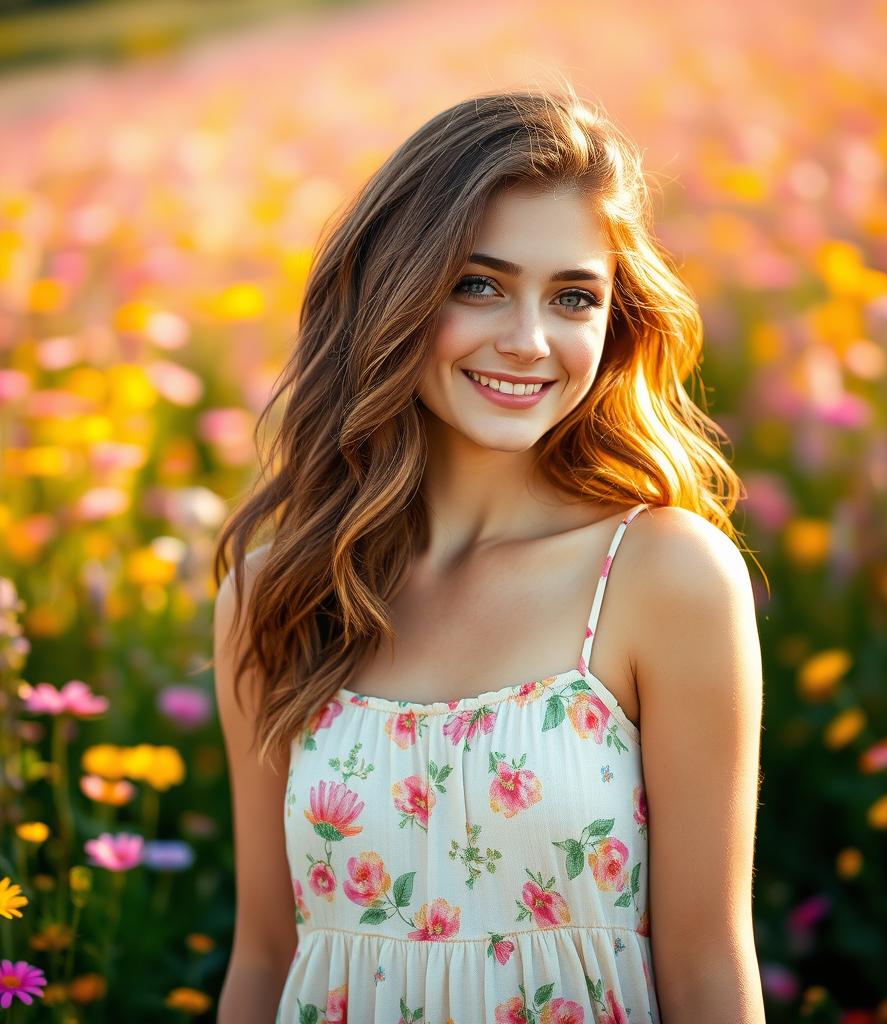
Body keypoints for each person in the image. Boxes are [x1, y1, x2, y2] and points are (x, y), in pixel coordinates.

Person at [213, 85, 767, 1024]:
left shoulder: (662, 577)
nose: (527, 341)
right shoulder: (283, 590)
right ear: (393, 293)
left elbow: (709, 965)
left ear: (615, 320)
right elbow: (267, 954)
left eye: (573, 297)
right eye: (478, 285)